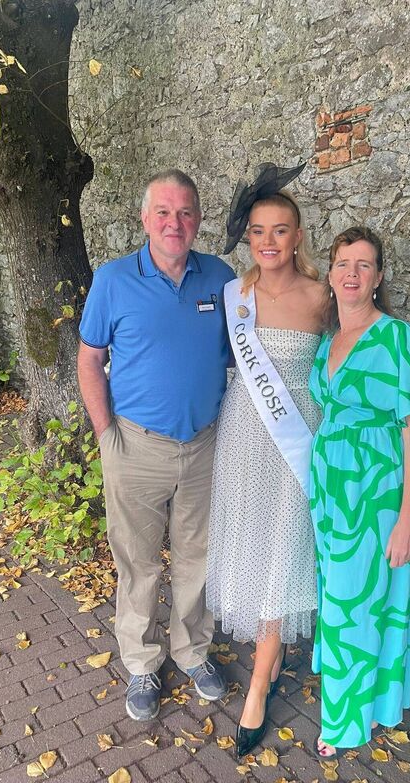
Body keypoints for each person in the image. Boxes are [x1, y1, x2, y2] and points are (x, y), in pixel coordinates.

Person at [77, 169, 235, 721]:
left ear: (198, 220)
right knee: (138, 563)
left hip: (204, 446)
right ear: (145, 219)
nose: (175, 223)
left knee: (197, 557)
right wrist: (106, 436)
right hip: (135, 447)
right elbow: (90, 361)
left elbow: (242, 355)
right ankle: (142, 663)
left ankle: (192, 651)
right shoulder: (113, 280)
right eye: (164, 212)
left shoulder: (220, 277)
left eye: (185, 212)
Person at [206, 163, 324, 756]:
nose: (269, 242)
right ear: (247, 237)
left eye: (281, 231)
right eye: (258, 231)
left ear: (298, 236)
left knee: (283, 553)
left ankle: (258, 685)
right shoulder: (233, 296)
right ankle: (269, 660)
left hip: (296, 444)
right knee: (252, 548)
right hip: (242, 441)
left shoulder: (323, 296)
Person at [308, 226, 410, 757]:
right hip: (330, 491)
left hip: (376, 491)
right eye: (343, 263)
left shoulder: (397, 338)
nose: (352, 274)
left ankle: (341, 723)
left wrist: (409, 517)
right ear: (332, 274)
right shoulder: (326, 341)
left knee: (353, 604)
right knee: (346, 600)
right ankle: (373, 698)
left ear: (379, 277)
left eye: (364, 265)